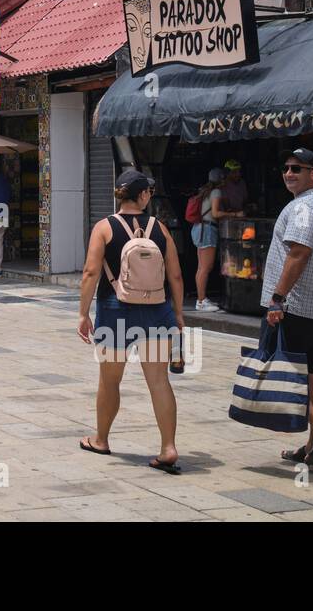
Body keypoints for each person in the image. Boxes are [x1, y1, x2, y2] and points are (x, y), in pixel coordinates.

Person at [77, 170, 184, 472]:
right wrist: (178, 313)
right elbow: (175, 275)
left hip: (115, 310)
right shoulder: (160, 228)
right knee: (159, 382)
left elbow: (90, 272)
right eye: (149, 190)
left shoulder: (104, 227)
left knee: (110, 380)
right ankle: (168, 447)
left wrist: (83, 314)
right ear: (143, 195)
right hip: (157, 310)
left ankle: (101, 439)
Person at [261, 147, 313, 467]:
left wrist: (277, 298)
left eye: (297, 169)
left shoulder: (303, 209)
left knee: (278, 372)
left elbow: (298, 254)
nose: (289, 173)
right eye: (286, 168)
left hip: (295, 305)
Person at [192, 168, 242, 313]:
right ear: (222, 179)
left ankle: (201, 299)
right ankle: (201, 301)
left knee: (201, 267)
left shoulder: (205, 190)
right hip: (207, 230)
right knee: (205, 268)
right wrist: (235, 214)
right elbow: (215, 213)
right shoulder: (216, 192)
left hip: (200, 229)